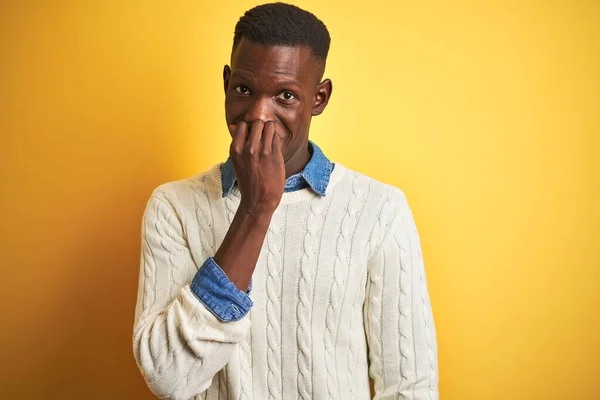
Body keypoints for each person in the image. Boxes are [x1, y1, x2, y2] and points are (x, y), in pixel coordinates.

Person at [132, 3, 438, 399]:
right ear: (226, 83)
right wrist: (256, 209)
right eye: (244, 89)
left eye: (286, 95)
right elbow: (168, 378)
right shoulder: (172, 208)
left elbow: (410, 386)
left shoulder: (380, 211)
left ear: (319, 98)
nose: (259, 114)